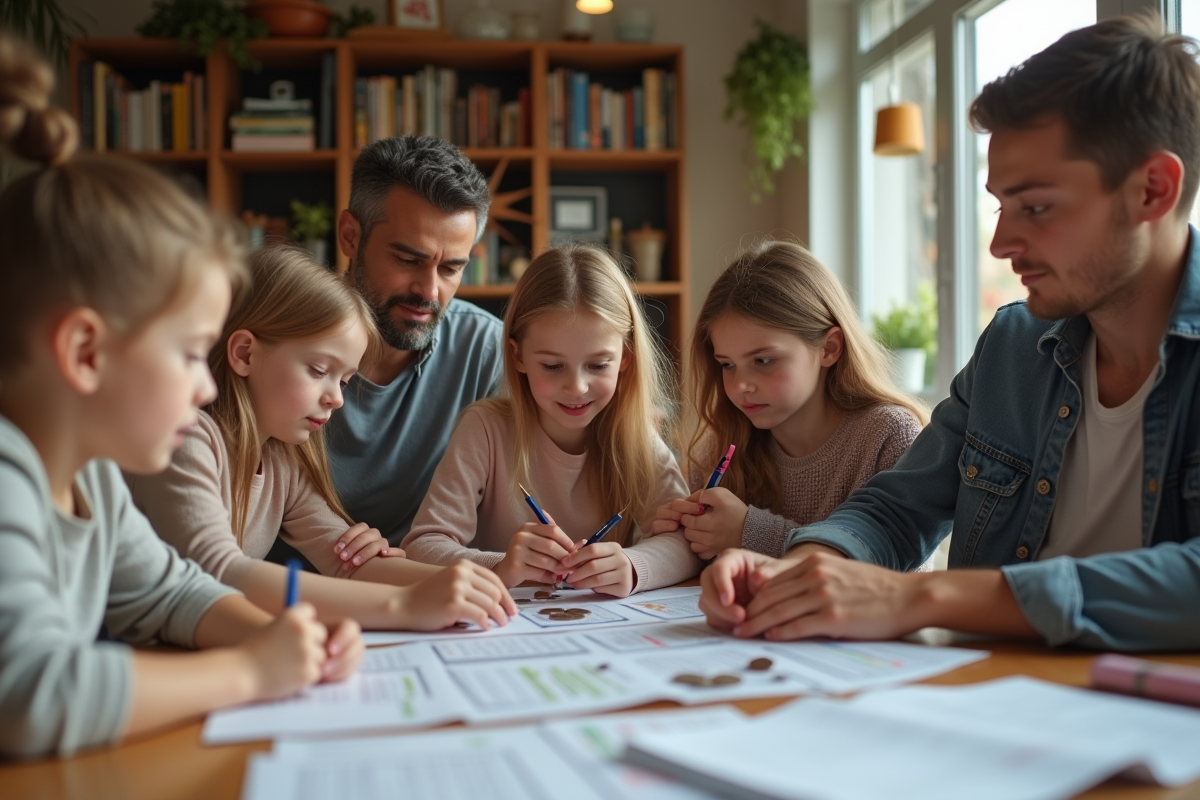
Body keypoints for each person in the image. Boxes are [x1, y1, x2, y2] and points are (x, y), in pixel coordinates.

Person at [700, 15, 1200, 652]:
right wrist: (800, 570)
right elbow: (896, 507)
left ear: (1153, 190)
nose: (1001, 243)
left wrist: (924, 597)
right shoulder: (1013, 346)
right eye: (1000, 206)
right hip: (981, 687)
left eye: (1036, 207)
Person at [0, 37, 362, 758]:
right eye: (192, 352)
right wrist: (249, 671)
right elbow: (31, 699)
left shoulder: (94, 479)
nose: (206, 384)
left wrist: (281, 635)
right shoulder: (8, 473)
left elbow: (171, 593)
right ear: (86, 352)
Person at [128, 245, 515, 631]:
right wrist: (404, 604)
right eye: (318, 370)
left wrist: (484, 576)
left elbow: (350, 564)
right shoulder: (186, 439)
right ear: (245, 353)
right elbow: (219, 571)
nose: (337, 398)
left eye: (344, 380)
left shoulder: (282, 460)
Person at [402, 245, 701, 597]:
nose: (576, 387)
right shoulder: (484, 430)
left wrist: (634, 566)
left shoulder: (635, 437)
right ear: (518, 356)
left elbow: (687, 541)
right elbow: (422, 547)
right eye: (553, 366)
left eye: (598, 365)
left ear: (626, 357)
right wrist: (502, 567)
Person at [652, 241, 925, 560]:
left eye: (763, 361)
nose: (741, 385)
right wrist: (678, 540)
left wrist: (749, 532)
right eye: (727, 364)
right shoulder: (719, 448)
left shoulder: (890, 436)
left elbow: (897, 575)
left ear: (829, 348)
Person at [325, 135, 503, 546]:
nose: (429, 292)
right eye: (408, 260)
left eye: (451, 269)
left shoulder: (486, 350)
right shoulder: (281, 338)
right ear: (350, 236)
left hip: (430, 576)